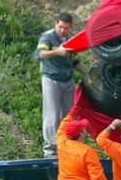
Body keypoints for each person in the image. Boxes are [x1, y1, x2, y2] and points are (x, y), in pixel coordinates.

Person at [36, 12, 86, 158]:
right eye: (60, 27)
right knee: (52, 116)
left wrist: (89, 75)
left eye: (66, 28)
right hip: (51, 80)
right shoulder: (48, 37)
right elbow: (40, 54)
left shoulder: (71, 40)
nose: (63, 31)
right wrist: (57, 51)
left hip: (67, 81)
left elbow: (76, 61)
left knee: (69, 116)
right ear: (55, 23)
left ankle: (68, 147)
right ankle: (50, 151)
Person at [56, 108, 114, 180]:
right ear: (81, 134)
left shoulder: (62, 143)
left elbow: (62, 127)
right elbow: (96, 175)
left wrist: (71, 114)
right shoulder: (87, 151)